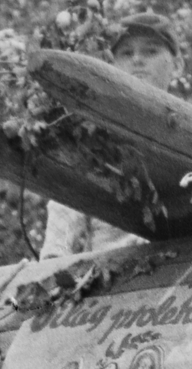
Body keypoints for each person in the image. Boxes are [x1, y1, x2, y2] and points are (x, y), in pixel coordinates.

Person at [39, 14, 184, 260]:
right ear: (111, 63)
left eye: (150, 51)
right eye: (126, 53)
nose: (137, 60)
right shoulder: (93, 140)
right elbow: (60, 231)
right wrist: (53, 263)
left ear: (177, 65)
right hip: (112, 284)